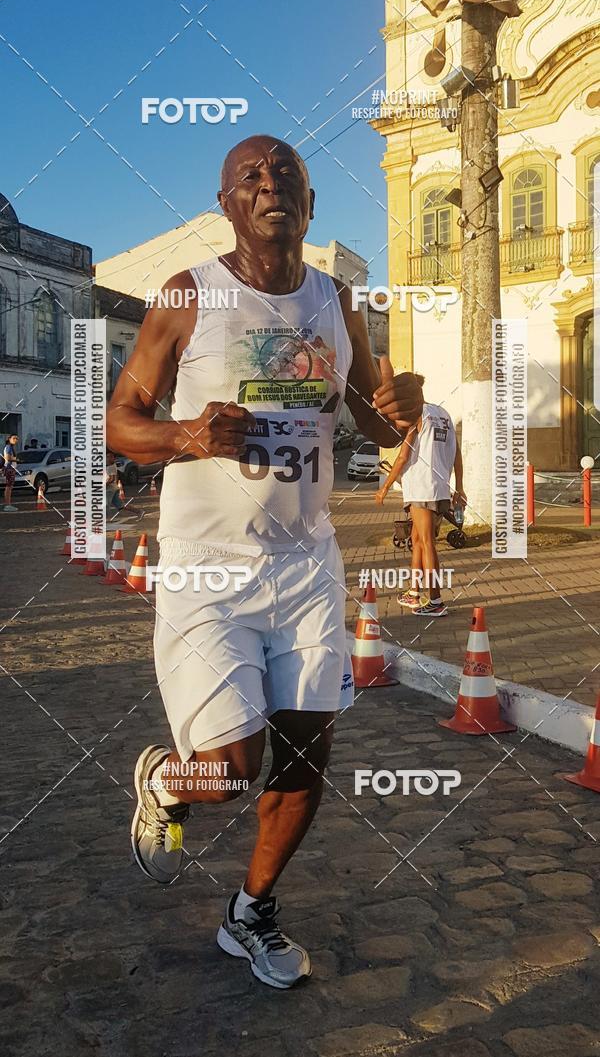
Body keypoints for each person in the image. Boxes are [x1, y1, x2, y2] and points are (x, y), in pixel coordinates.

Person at [107, 133, 423, 990]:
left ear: (311, 203)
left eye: (288, 173)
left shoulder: (336, 301)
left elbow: (373, 417)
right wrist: (185, 433)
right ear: (227, 204)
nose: (271, 183)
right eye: (250, 175)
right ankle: (167, 781)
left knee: (306, 758)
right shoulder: (187, 295)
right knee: (232, 770)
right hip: (208, 567)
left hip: (307, 564)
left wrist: (406, 404)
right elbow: (120, 420)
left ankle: (251, 912)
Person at [375, 383, 466, 617]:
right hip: (439, 488)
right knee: (417, 540)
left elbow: (403, 457)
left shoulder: (416, 415)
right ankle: (414, 592)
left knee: (426, 543)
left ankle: (435, 601)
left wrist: (384, 487)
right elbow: (456, 453)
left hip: (422, 488)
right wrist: (459, 487)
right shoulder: (443, 414)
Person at [3, 434, 19, 512]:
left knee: (9, 486)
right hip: (10, 468)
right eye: (14, 438)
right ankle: (7, 505)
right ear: (9, 439)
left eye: (17, 438)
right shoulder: (9, 447)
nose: (16, 440)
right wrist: (17, 460)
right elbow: (7, 458)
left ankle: (8, 504)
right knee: (9, 486)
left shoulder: (10, 447)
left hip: (10, 468)